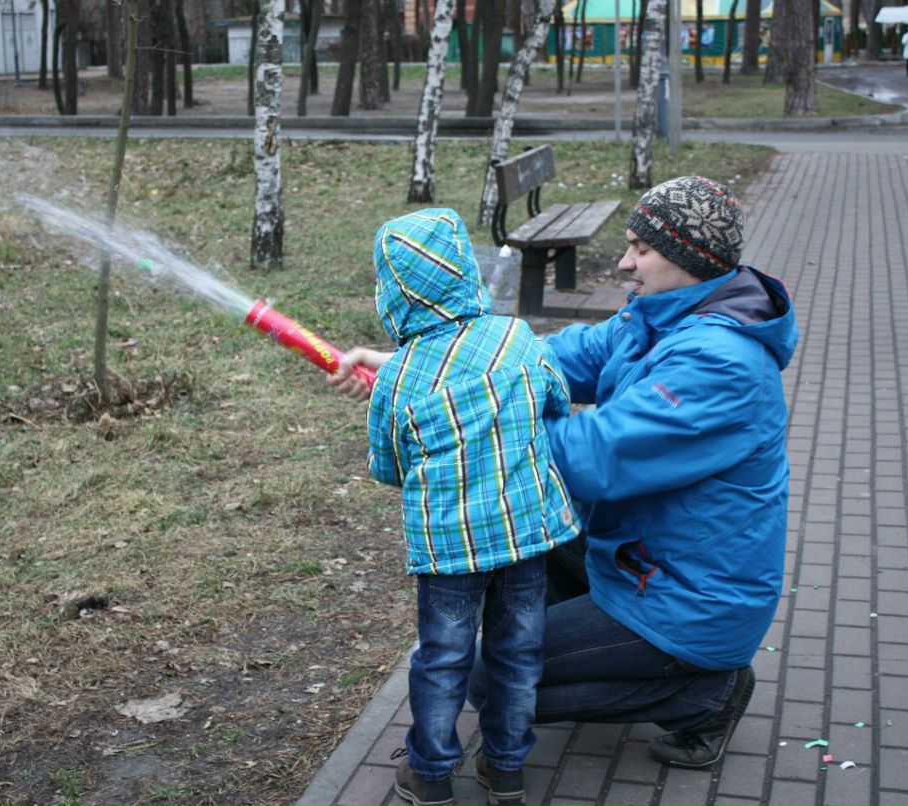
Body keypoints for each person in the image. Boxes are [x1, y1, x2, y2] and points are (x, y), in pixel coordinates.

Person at [332, 177, 798, 771]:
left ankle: (705, 691)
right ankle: (606, 649)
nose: (626, 261)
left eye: (641, 249)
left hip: (690, 597)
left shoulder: (720, 364)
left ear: (688, 258)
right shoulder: (658, 315)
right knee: (522, 532)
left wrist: (464, 429)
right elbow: (547, 357)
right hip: (645, 554)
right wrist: (415, 366)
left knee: (489, 679)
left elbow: (595, 453)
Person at [346, 208, 580, 806]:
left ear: (393, 294)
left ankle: (430, 773)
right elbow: (558, 398)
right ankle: (505, 767)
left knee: (443, 659)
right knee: (519, 652)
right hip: (527, 539)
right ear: (462, 271)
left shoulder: (398, 379)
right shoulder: (516, 337)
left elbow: (388, 469)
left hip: (450, 553)